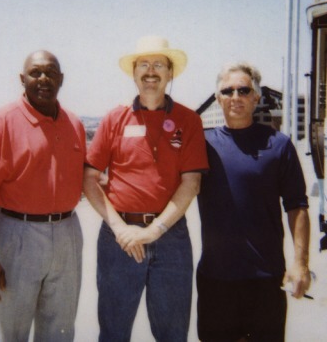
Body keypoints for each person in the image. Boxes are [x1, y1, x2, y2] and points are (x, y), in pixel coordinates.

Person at [83, 35, 209, 342]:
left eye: (158, 65)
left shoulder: (188, 120)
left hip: (171, 238)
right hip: (119, 237)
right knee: (113, 332)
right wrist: (119, 227)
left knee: (172, 334)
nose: (150, 71)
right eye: (143, 64)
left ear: (170, 73)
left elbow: (191, 182)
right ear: (134, 72)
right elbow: (90, 177)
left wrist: (154, 231)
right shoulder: (114, 118)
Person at [0, 50, 86, 341]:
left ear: (62, 79)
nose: (43, 78)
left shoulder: (75, 124)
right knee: (11, 331)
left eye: (51, 72)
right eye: (35, 72)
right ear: (22, 79)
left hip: (67, 234)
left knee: (60, 329)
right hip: (18, 235)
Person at [196, 62, 311, 342]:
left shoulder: (279, 145)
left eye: (244, 90)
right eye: (228, 91)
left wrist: (300, 263)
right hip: (216, 278)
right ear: (219, 97)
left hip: (265, 278)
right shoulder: (201, 145)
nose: (235, 96)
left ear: (256, 97)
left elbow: (297, 206)